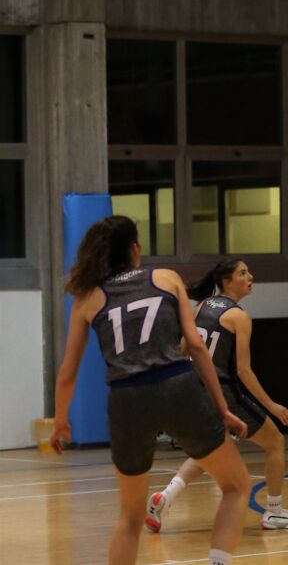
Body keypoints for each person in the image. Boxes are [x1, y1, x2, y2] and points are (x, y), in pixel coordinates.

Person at [50, 216, 251, 565]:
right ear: (135, 248)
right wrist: (222, 408)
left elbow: (67, 374)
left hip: (126, 398)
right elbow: (197, 347)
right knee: (236, 486)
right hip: (177, 385)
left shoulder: (87, 298)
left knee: (129, 519)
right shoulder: (166, 277)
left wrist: (60, 422)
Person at [146, 257, 288, 532]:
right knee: (275, 442)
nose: (250, 277)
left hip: (198, 391)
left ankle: (165, 497)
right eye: (243, 273)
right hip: (227, 395)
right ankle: (274, 512)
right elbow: (244, 371)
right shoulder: (239, 317)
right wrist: (271, 405)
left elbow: (184, 348)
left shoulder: (201, 307)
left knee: (211, 452)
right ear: (227, 281)